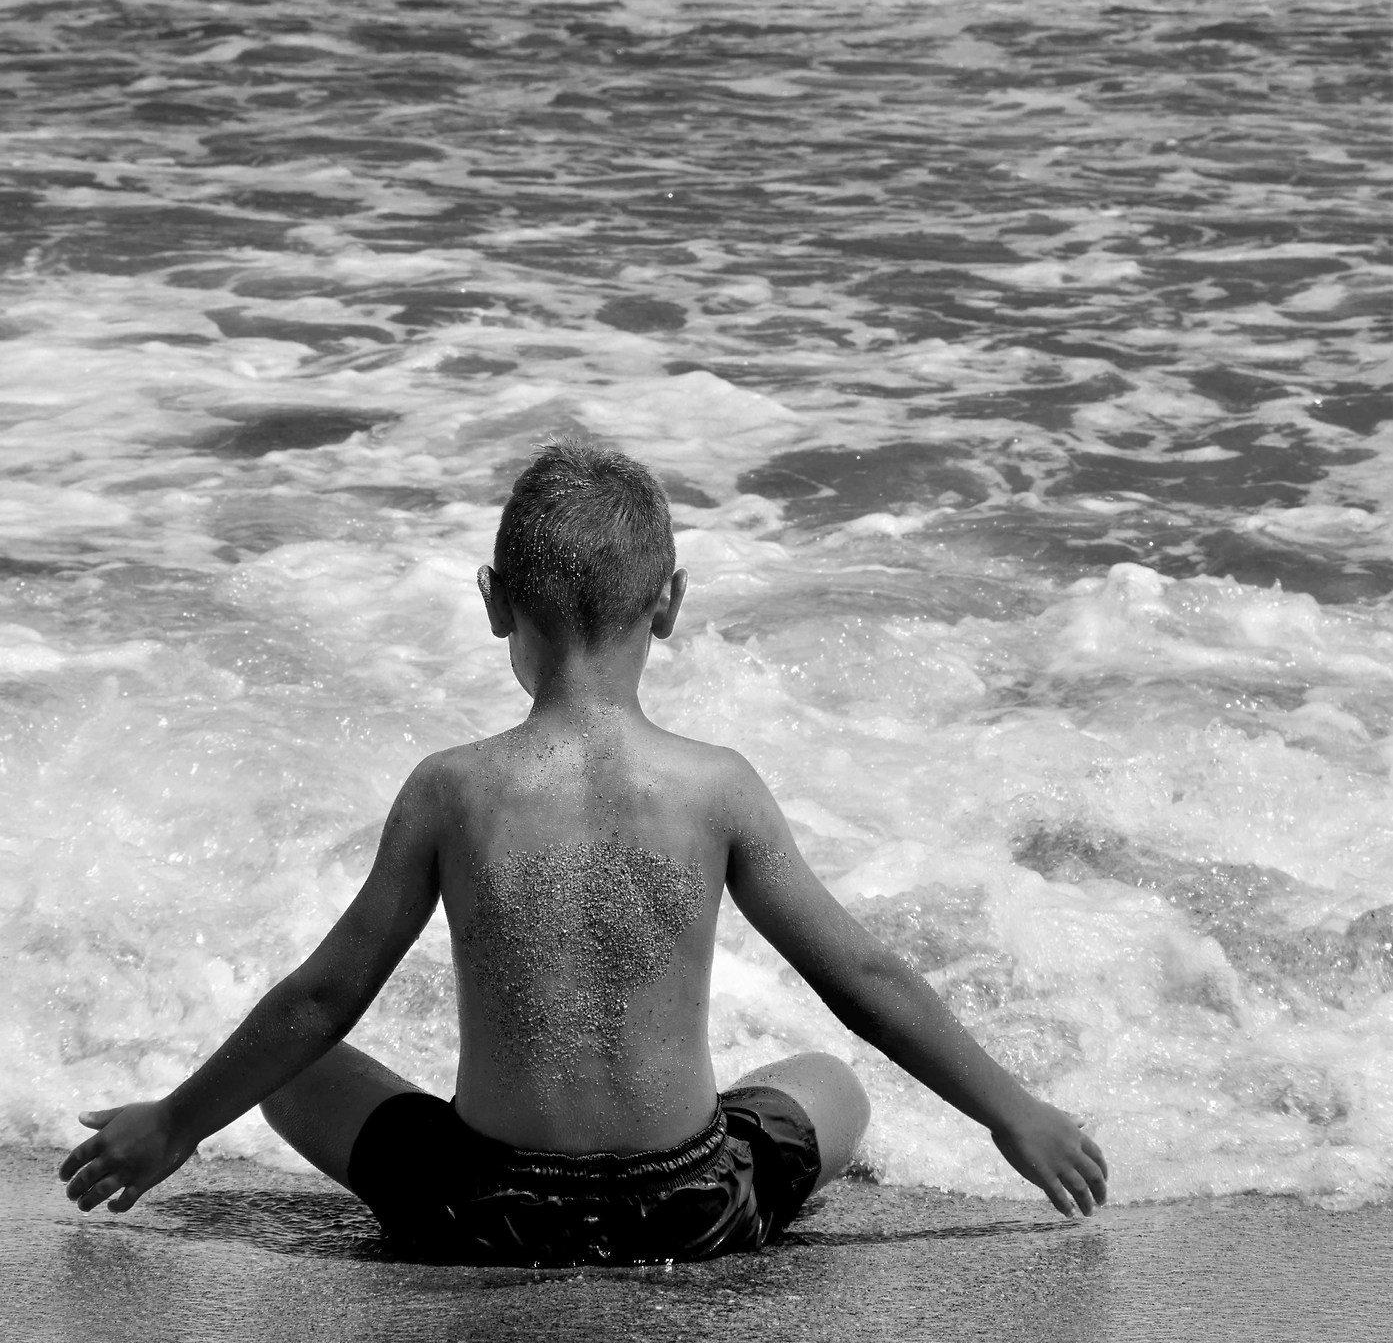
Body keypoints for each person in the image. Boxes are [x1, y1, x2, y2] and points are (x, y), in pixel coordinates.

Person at [60, 443, 1107, 1262]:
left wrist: (176, 1125)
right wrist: (1013, 1114)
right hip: (690, 1209)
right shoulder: (717, 787)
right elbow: (864, 981)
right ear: (671, 602)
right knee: (830, 1080)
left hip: (481, 1212)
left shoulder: (450, 788)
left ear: (491, 601)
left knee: (294, 1076)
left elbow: (321, 998)